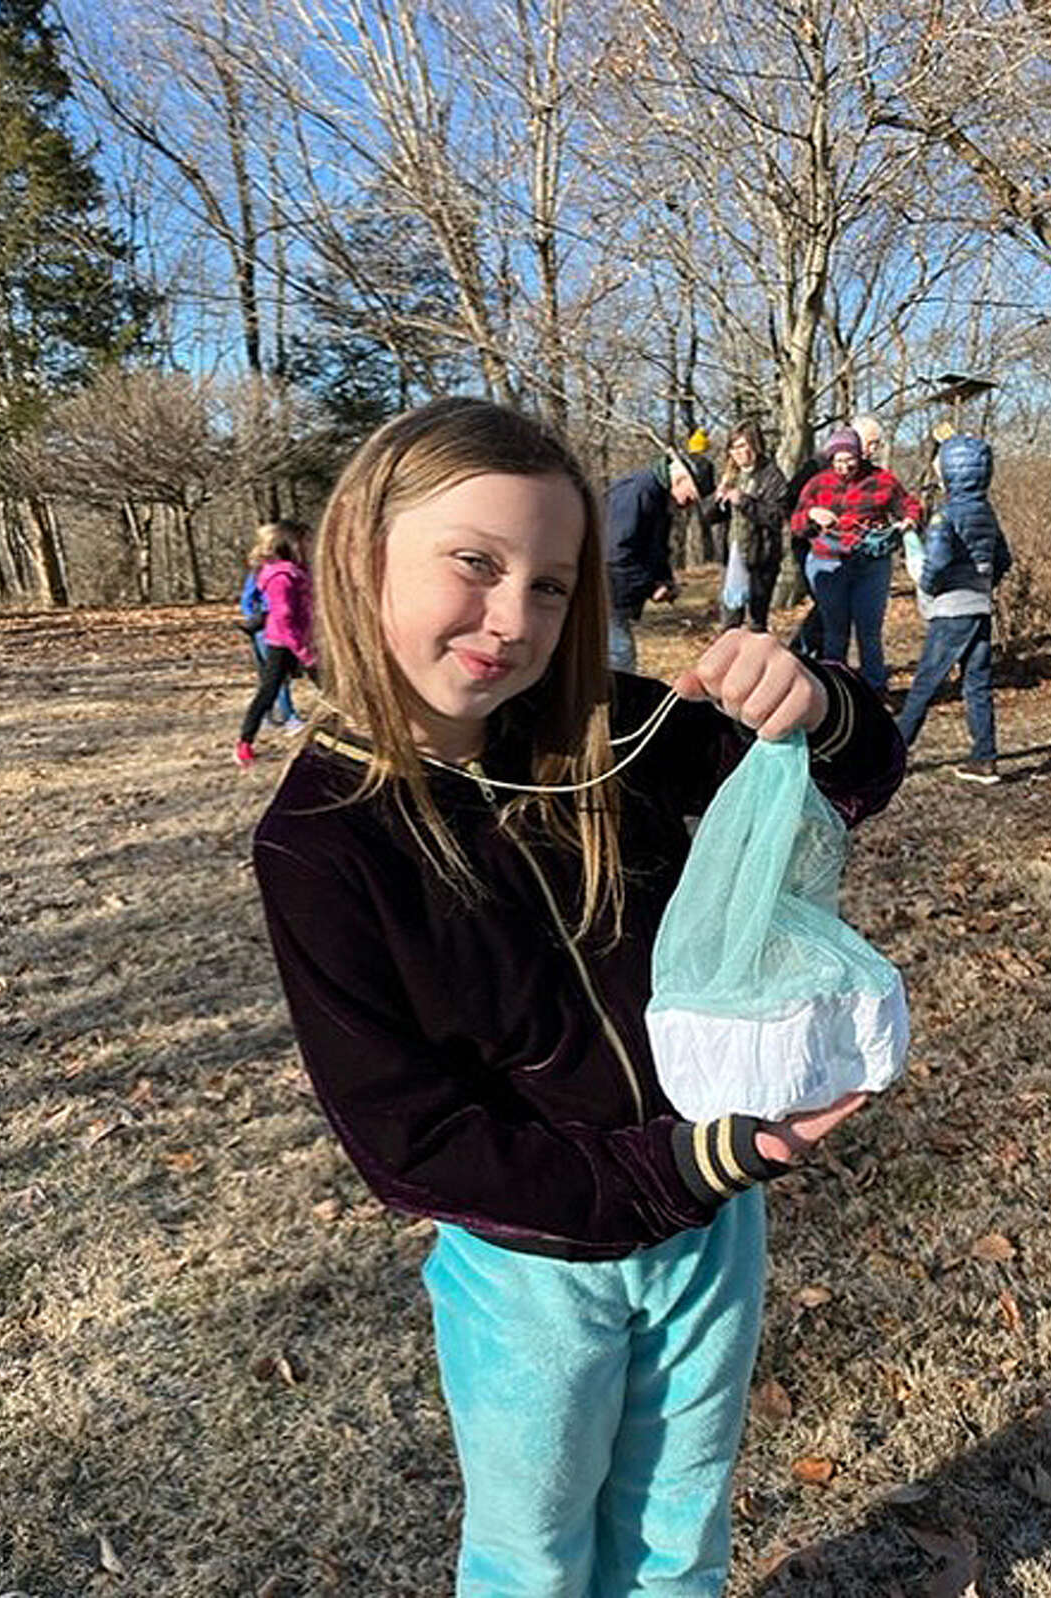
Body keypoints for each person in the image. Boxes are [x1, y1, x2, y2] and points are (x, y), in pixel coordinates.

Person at [252, 396, 906, 1596]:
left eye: (551, 585)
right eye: (475, 562)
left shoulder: (610, 731)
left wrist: (814, 701)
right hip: (528, 1269)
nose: (512, 617)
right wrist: (680, 1167)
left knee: (676, 1540)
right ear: (361, 557)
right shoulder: (319, 842)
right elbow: (411, 1143)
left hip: (710, 1236)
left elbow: (856, 780)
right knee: (533, 1557)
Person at [895, 433, 1012, 785]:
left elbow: (939, 560)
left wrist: (926, 585)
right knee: (977, 684)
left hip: (951, 610)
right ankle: (984, 759)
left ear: (951, 472)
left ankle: (892, 754)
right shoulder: (985, 512)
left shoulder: (946, 516)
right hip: (979, 607)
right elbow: (1003, 559)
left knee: (925, 684)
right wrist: (983, 584)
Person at [790, 426, 921, 698]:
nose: (844, 466)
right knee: (835, 631)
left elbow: (909, 504)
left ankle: (875, 689)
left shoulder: (882, 480)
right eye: (837, 460)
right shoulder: (817, 483)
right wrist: (813, 514)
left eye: (849, 459)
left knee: (869, 630)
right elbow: (796, 524)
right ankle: (835, 690)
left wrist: (909, 521)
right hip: (828, 561)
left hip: (870, 564)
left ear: (859, 455)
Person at [604, 450, 700, 671]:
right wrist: (650, 586)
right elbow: (615, 552)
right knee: (619, 658)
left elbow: (657, 550)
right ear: (680, 478)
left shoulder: (659, 499)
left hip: (617, 596)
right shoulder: (637, 492)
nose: (690, 503)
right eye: (692, 495)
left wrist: (664, 581)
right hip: (605, 592)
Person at [234, 519, 314, 767]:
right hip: (283, 643)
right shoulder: (281, 577)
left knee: (331, 687)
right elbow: (284, 618)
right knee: (268, 691)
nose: (310, 546)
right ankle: (244, 743)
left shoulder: (297, 571)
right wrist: (303, 651)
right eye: (305, 541)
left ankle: (359, 726)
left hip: (299, 639)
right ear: (291, 544)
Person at [706, 420, 788, 631]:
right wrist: (717, 498)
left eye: (743, 446)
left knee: (756, 623)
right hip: (731, 555)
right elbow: (709, 517)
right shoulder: (729, 475)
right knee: (729, 621)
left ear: (755, 444)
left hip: (761, 559)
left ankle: (754, 662)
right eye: (734, 447)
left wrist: (743, 501)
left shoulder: (772, 475)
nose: (738, 452)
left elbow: (776, 517)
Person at [238, 530, 300, 731]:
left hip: (282, 626)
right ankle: (288, 716)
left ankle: (268, 715)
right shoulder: (260, 572)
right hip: (266, 627)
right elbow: (247, 600)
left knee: (273, 677)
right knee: (275, 676)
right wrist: (256, 617)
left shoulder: (291, 570)